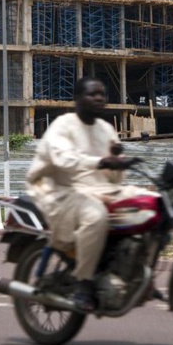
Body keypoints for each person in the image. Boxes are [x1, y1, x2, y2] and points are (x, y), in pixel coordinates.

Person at [25, 76, 146, 312]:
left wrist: (116, 160)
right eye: (93, 94)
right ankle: (84, 283)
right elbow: (64, 160)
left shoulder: (106, 129)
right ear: (77, 99)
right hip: (59, 190)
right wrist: (102, 161)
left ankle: (134, 271)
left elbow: (113, 179)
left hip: (99, 190)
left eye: (102, 94)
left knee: (148, 203)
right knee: (96, 216)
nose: (99, 98)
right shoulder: (63, 125)